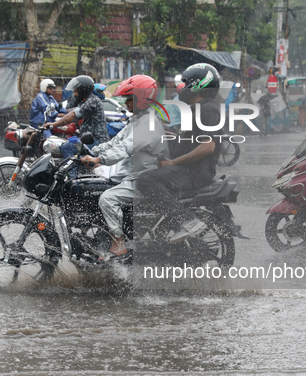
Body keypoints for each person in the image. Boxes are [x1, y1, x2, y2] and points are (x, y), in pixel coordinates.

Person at [80, 75, 169, 259]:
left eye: (130, 99)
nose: (127, 103)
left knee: (107, 199)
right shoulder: (138, 120)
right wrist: (91, 151)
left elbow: (127, 147)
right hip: (129, 176)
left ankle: (118, 243)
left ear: (142, 98)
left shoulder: (149, 123)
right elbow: (116, 142)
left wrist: (99, 160)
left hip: (143, 178)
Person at [135, 63, 222, 244]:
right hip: (188, 169)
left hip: (195, 172)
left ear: (198, 85)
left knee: (146, 180)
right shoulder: (195, 109)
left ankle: (187, 220)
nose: (183, 88)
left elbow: (208, 147)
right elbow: (184, 141)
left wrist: (173, 163)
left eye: (187, 83)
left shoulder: (208, 110)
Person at [46, 75, 109, 160]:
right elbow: (73, 114)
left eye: (75, 91)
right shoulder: (87, 101)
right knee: (64, 143)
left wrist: (54, 124)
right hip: (88, 139)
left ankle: (72, 173)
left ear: (82, 90)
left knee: (67, 147)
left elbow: (73, 115)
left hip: (95, 141)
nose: (74, 94)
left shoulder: (92, 101)